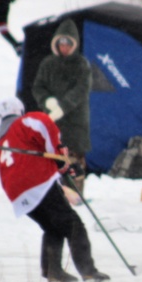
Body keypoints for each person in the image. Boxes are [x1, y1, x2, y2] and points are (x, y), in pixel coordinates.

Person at [0, 97, 109, 282]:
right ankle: (89, 272)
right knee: (73, 225)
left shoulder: (2, 137)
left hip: (16, 193)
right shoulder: (26, 121)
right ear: (19, 109)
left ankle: (53, 272)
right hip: (37, 183)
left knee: (53, 226)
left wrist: (61, 166)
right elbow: (45, 125)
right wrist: (63, 160)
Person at [31, 19, 92, 200]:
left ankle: (75, 195)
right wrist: (47, 101)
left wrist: (63, 107)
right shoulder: (48, 64)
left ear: (74, 44)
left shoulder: (81, 65)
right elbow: (38, 87)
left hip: (75, 123)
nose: (64, 47)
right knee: (51, 159)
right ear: (56, 43)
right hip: (52, 123)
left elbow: (81, 90)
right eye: (61, 43)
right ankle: (53, 196)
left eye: (68, 43)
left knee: (74, 162)